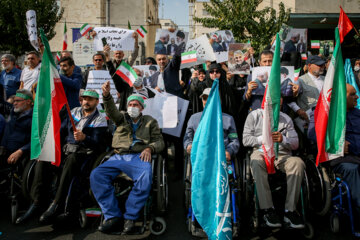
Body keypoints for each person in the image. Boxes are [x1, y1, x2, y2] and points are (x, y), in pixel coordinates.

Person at [16, 90, 108, 225]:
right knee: (44, 157)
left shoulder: (99, 119)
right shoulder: (73, 112)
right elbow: (61, 131)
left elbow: (99, 144)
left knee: (72, 160)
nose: (86, 102)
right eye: (84, 99)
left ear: (96, 102)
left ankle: (56, 203)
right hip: (66, 149)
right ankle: (36, 202)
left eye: (90, 99)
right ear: (80, 100)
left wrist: (85, 138)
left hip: (84, 154)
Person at [90, 83, 165, 234]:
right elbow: (111, 110)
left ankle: (130, 217)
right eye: (130, 104)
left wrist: (150, 148)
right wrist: (106, 96)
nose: (132, 107)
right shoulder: (122, 118)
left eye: (135, 104)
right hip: (119, 155)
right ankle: (112, 216)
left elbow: (159, 141)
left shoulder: (150, 121)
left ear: (142, 107)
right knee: (96, 175)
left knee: (145, 177)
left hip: (139, 156)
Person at [243, 98, 305, 229]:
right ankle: (267, 209)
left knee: (297, 163)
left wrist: (283, 139)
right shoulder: (253, 116)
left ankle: (290, 211)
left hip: (282, 154)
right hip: (261, 151)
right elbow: (246, 140)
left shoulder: (286, 118)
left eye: (279, 104)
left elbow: (295, 144)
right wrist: (264, 138)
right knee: (256, 161)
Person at [308, 84, 360, 220]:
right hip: (343, 158)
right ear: (341, 97)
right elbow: (314, 135)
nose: (357, 97)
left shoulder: (358, 113)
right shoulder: (324, 113)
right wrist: (336, 144)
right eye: (352, 94)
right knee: (351, 169)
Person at [184, 88, 240, 161]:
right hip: (200, 156)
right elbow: (187, 138)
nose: (207, 101)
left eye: (211, 98)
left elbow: (234, 140)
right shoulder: (194, 118)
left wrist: (229, 151)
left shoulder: (228, 119)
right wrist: (189, 145)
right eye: (204, 98)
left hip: (221, 156)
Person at [104, 45, 155, 111]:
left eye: (139, 75)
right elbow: (115, 77)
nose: (137, 77)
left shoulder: (150, 92)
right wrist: (107, 58)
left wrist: (136, 41)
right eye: (135, 75)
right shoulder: (126, 90)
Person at [288, 55, 325, 125]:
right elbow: (290, 99)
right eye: (319, 65)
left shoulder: (327, 80)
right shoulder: (300, 81)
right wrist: (299, 111)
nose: (322, 67)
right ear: (309, 66)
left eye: (323, 65)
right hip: (309, 119)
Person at [0, 89, 33, 168]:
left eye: (18, 101)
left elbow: (37, 141)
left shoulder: (35, 119)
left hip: (19, 156)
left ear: (28, 101)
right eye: (14, 101)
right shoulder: (12, 113)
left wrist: (21, 151)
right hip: (3, 151)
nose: (14, 103)